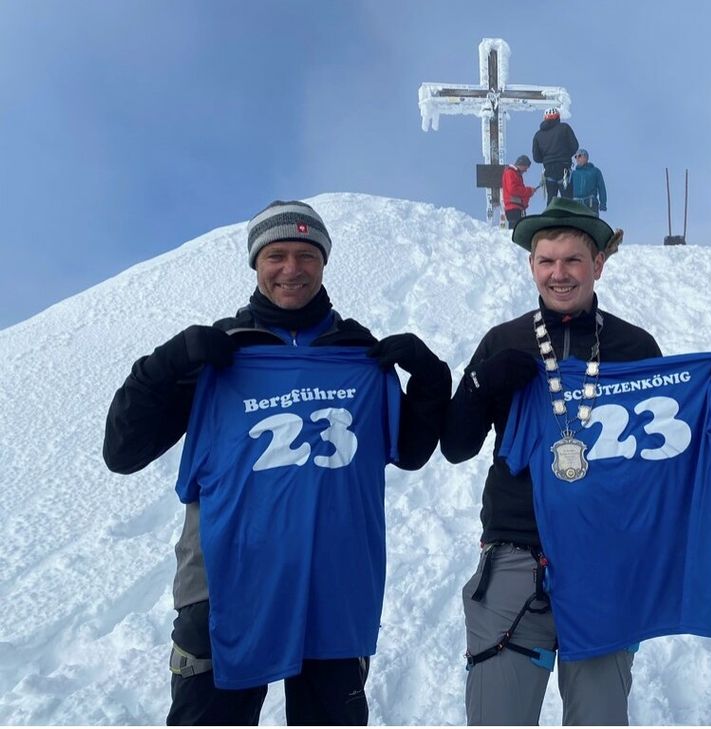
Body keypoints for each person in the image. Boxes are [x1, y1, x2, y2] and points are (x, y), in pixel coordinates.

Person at [101, 200, 451, 725]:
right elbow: (122, 452)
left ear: (325, 263)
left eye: (307, 255)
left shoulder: (361, 355)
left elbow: (414, 450)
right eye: (277, 255)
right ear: (256, 263)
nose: (293, 269)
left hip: (332, 585)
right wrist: (165, 365)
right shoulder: (219, 354)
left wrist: (429, 380)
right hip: (224, 585)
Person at [440, 198, 711, 725]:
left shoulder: (633, 345)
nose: (558, 274)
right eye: (546, 261)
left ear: (598, 265)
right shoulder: (505, 341)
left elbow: (665, 453)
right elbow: (456, 445)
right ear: (531, 265)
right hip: (519, 556)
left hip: (608, 563)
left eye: (572, 260)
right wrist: (478, 385)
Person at [532, 107, 579, 202]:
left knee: (551, 198)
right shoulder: (564, 128)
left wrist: (547, 159)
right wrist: (565, 155)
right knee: (567, 199)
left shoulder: (538, 135)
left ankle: (550, 214)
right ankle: (569, 215)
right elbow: (575, 146)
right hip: (564, 167)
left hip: (549, 169)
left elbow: (536, 157)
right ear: (558, 117)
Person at [502, 154, 537, 230]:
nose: (526, 170)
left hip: (517, 208)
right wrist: (529, 191)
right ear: (521, 164)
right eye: (525, 167)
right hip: (513, 208)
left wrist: (529, 193)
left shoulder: (515, 174)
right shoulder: (510, 173)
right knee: (516, 230)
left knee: (518, 230)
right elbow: (513, 190)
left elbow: (518, 191)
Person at [569, 148, 607, 213]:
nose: (577, 158)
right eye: (576, 157)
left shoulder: (595, 171)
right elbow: (569, 189)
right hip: (576, 204)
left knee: (592, 222)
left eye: (579, 156)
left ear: (586, 158)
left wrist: (603, 203)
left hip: (590, 203)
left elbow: (601, 188)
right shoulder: (573, 173)